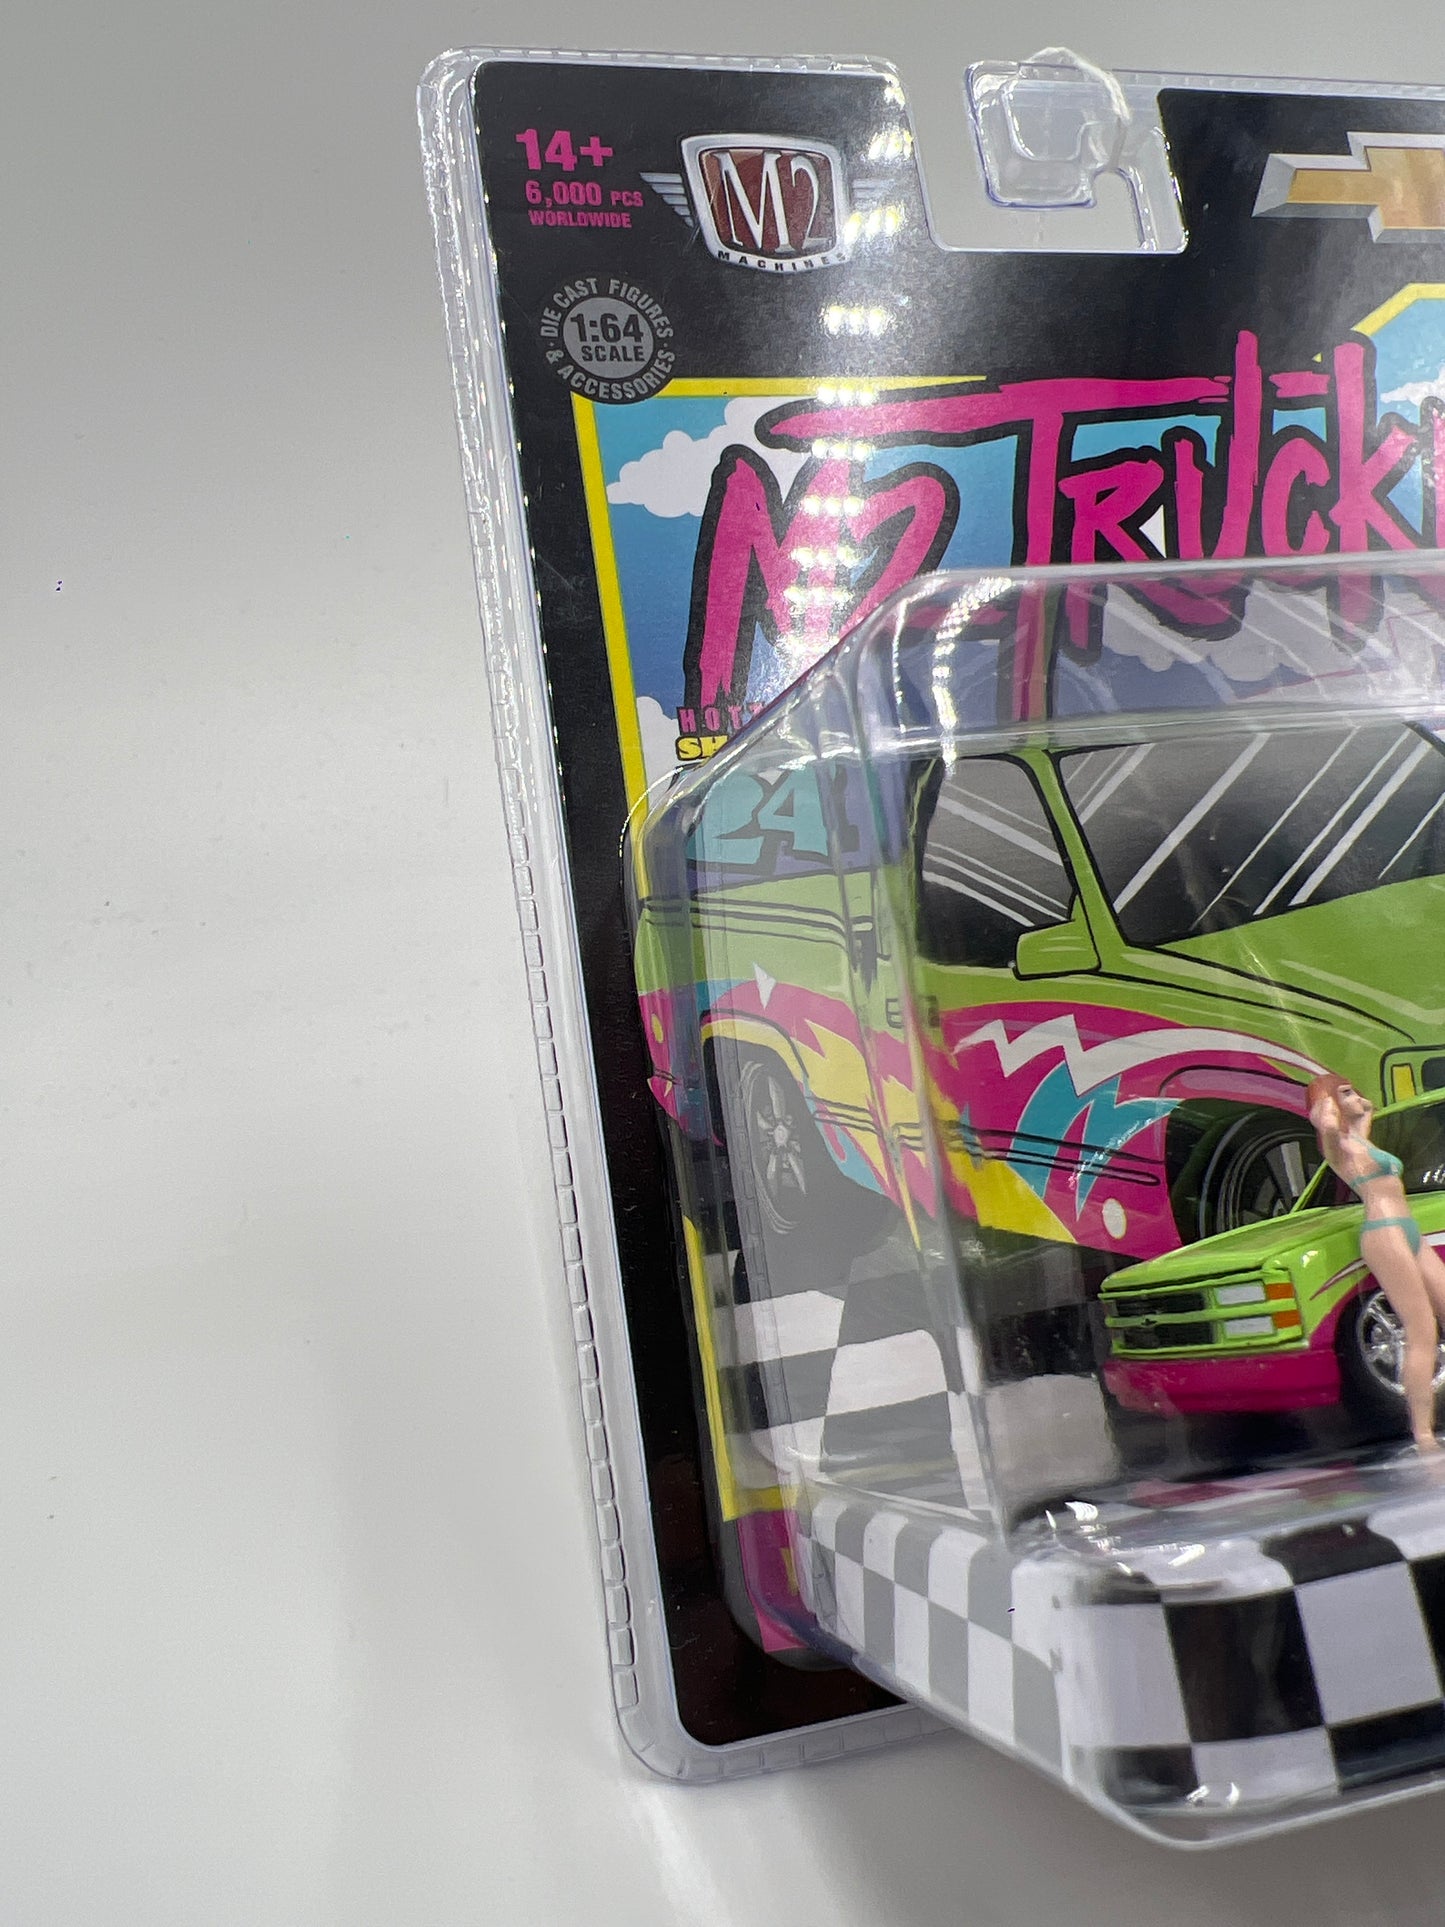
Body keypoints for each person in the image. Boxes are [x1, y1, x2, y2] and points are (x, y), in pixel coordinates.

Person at [1308, 1072, 1445, 1454]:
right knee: (1421, 1329)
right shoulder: (1338, 1146)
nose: (1356, 1097)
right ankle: (1422, 1433)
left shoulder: (1360, 1139)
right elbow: (1329, 1131)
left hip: (1407, 1227)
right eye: (1346, 1093)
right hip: (1384, 1230)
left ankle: (1425, 1429)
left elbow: (1367, 1109)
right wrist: (1327, 1109)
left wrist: (1356, 1107)